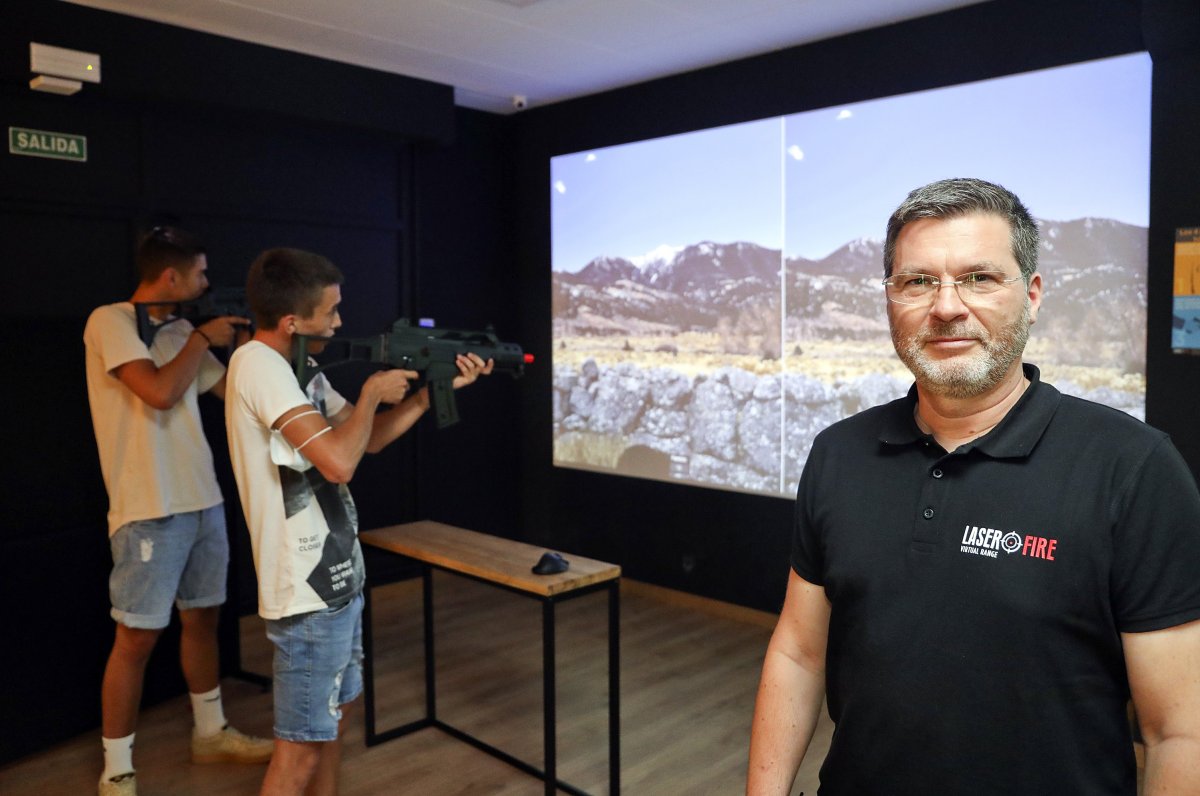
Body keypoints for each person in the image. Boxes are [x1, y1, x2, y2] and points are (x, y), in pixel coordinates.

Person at [746, 178, 1200, 795]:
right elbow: (798, 654)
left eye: (980, 278)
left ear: (1032, 296)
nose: (947, 307)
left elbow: (1180, 731)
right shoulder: (838, 453)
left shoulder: (1133, 468)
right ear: (889, 299)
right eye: (918, 281)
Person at [225, 247, 492, 795]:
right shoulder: (258, 365)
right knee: (297, 752)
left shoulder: (303, 369)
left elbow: (366, 444)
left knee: (330, 730)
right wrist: (372, 393)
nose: (340, 322)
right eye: (331, 312)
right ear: (293, 322)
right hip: (306, 597)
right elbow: (340, 463)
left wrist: (424, 396)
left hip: (337, 581)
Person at [83, 226, 272, 796]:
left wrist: (247, 348)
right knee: (135, 639)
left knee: (203, 620)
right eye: (200, 273)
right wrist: (199, 340)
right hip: (149, 506)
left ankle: (210, 732)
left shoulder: (185, 330)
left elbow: (230, 394)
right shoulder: (109, 321)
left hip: (203, 500)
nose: (206, 283)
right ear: (171, 276)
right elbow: (159, 393)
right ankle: (117, 768)